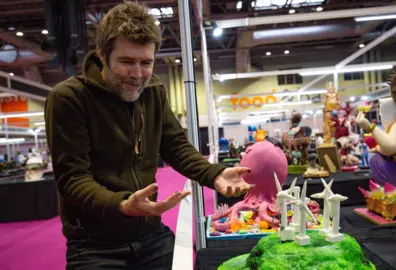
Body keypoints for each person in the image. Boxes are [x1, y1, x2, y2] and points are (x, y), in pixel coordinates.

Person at [45, 2, 253, 269]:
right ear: (102, 55)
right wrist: (121, 204)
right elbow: (72, 179)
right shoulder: (68, 98)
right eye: (126, 62)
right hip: (94, 244)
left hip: (150, 234)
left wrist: (213, 173)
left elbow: (175, 145)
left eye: (146, 63)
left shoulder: (153, 90)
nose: (138, 74)